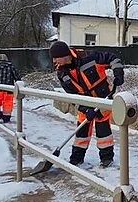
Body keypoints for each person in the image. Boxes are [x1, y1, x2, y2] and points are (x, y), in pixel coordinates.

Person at [49, 40, 125, 168]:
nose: (54, 62)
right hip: (83, 104)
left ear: (64, 55)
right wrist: (85, 109)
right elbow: (72, 97)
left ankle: (106, 158)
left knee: (103, 131)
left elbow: (113, 58)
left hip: (102, 100)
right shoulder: (61, 73)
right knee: (81, 134)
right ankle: (76, 159)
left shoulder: (89, 57)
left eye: (56, 58)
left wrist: (118, 73)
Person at [0, 54, 21, 123]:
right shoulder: (10, 66)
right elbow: (16, 76)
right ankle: (6, 117)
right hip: (8, 89)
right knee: (8, 103)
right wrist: (18, 84)